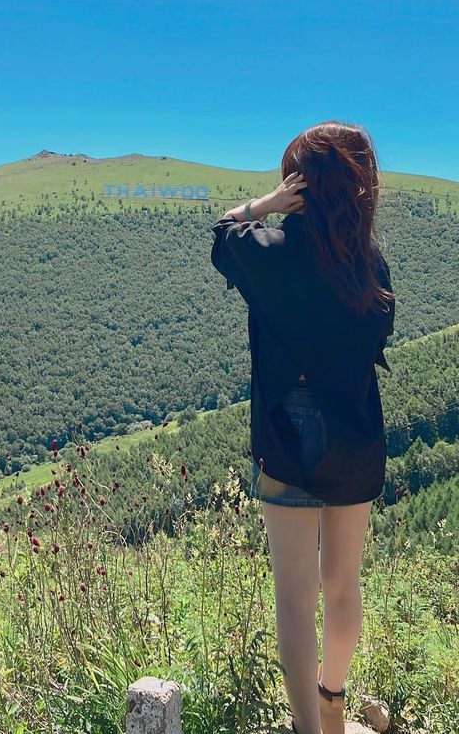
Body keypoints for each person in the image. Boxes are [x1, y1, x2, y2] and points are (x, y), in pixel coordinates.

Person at [209, 121, 396, 734]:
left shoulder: (271, 250)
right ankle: (332, 696)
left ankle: (308, 729)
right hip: (356, 439)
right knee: (343, 586)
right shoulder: (370, 264)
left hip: (288, 437)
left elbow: (221, 235)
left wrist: (263, 205)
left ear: (300, 185)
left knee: (295, 598)